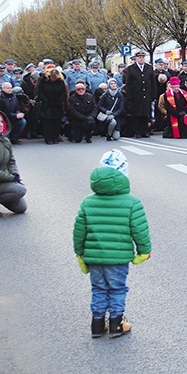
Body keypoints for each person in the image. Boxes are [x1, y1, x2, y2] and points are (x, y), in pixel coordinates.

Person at [73, 149, 151, 338]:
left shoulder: (87, 202)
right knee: (117, 289)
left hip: (94, 257)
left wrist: (80, 253)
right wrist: (144, 251)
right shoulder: (132, 203)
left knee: (99, 289)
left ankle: (97, 324)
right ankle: (116, 323)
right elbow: (139, 230)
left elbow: (79, 231)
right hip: (118, 258)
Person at [0, 111, 27, 217]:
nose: (1, 124)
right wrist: (11, 178)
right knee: (20, 190)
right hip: (4, 178)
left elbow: (11, 161)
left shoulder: (5, 141)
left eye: (1, 121)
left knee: (21, 208)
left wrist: (15, 174)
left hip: (4, 179)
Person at [124, 51, 156, 138]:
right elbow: (128, 84)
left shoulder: (149, 68)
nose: (141, 59)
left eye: (143, 57)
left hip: (146, 94)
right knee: (137, 114)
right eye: (139, 57)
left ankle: (144, 131)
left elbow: (153, 82)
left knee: (146, 114)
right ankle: (137, 132)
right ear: (136, 58)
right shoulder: (131, 69)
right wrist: (129, 96)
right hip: (136, 95)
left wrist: (153, 95)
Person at [35, 67, 68, 145]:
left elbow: (64, 92)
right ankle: (48, 138)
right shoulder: (44, 80)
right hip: (46, 104)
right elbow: (40, 91)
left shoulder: (60, 81)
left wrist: (60, 100)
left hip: (57, 104)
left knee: (56, 122)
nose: (53, 79)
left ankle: (55, 137)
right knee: (47, 122)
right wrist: (45, 100)